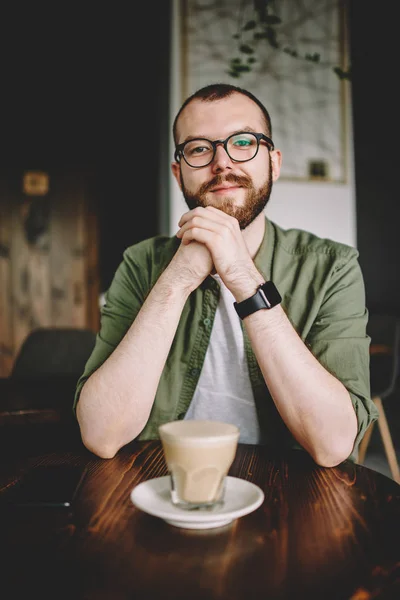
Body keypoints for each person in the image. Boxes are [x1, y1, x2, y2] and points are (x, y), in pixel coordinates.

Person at [74, 82, 378, 465]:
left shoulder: (333, 267)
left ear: (274, 162)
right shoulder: (142, 263)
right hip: (159, 484)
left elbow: (332, 444)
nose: (222, 163)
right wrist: (178, 277)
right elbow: (101, 434)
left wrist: (241, 274)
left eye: (243, 142)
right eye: (199, 148)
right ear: (178, 172)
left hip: (290, 498)